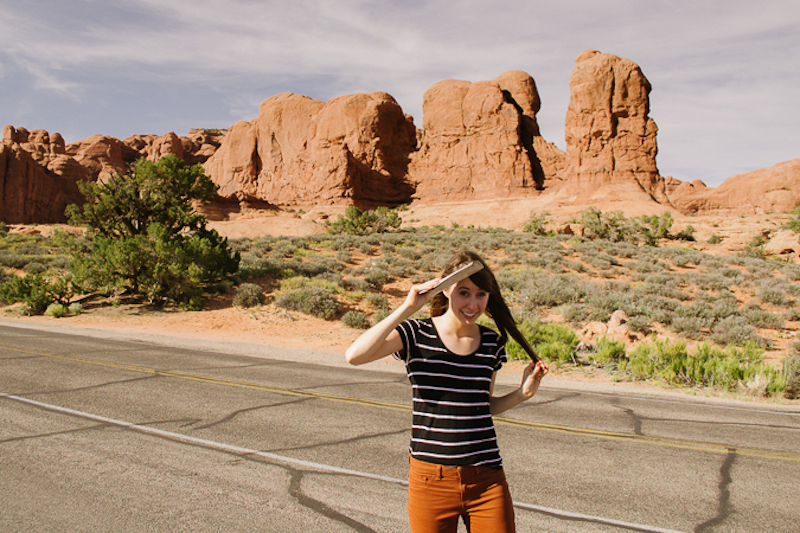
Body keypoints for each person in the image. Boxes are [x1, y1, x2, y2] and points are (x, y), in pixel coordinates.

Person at [345, 250, 549, 533]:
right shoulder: (415, 334)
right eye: (464, 292)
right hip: (430, 479)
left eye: (481, 295)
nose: (473, 304)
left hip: (486, 477)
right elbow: (354, 355)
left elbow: (482, 407)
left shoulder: (492, 343)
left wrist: (522, 394)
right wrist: (407, 308)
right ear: (447, 290)